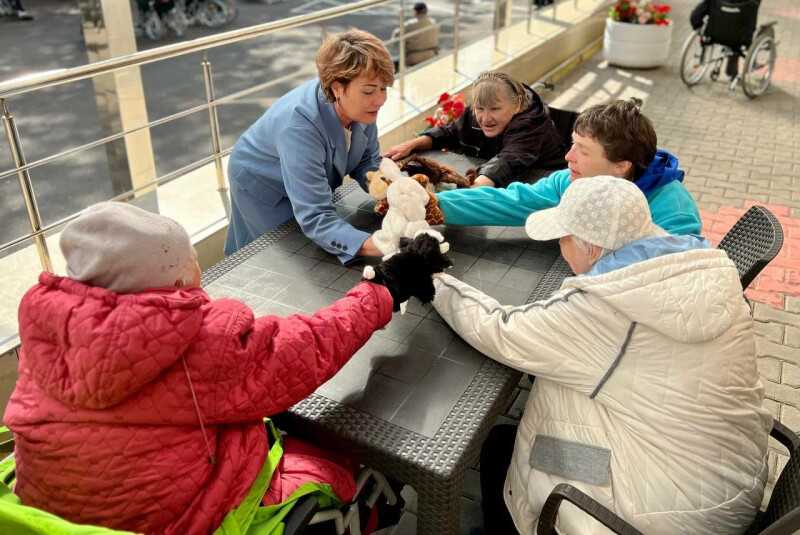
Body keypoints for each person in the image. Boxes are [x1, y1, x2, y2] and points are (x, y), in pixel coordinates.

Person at [3, 202, 443, 534]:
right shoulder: (198, 344)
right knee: (340, 454)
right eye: (190, 259)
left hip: (49, 514)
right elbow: (311, 345)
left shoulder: (49, 331)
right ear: (176, 281)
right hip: (176, 521)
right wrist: (387, 285)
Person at [432, 176, 771, 535]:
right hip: (728, 477)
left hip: (664, 511)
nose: (560, 245)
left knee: (507, 446)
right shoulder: (697, 269)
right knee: (533, 413)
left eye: (563, 237)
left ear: (591, 248)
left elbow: (498, 329)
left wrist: (430, 277)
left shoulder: (608, 311)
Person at [224, 29, 394, 262]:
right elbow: (315, 216)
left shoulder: (361, 108)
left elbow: (367, 161)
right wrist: (382, 244)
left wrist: (394, 191)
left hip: (294, 170)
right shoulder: (299, 128)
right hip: (261, 183)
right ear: (336, 87)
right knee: (285, 259)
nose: (380, 99)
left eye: (383, 88)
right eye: (369, 91)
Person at [434, 99, 702, 235]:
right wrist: (430, 204)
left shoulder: (673, 217)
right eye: (572, 144)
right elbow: (511, 201)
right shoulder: (573, 181)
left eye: (583, 150)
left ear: (621, 165)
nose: (568, 157)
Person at [385, 71, 566, 188]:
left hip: (547, 183)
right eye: (480, 108)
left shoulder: (531, 125)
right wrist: (410, 145)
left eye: (495, 109)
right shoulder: (475, 112)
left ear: (517, 103)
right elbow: (450, 132)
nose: (485, 119)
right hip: (507, 180)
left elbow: (508, 161)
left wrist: (472, 189)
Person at [391, 2, 440, 67]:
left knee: (392, 62)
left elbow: (395, 38)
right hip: (430, 56)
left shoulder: (409, 25)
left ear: (415, 12)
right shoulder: (434, 24)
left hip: (413, 58)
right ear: (426, 12)